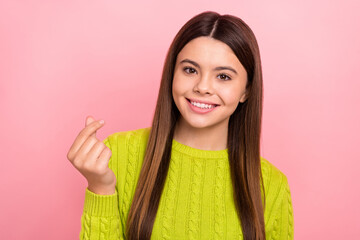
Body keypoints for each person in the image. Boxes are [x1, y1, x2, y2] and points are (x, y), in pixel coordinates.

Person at [67, 11, 294, 240]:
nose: (203, 87)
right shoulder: (117, 155)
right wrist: (100, 188)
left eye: (223, 76)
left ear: (246, 90)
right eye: (190, 70)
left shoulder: (271, 186)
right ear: (172, 74)